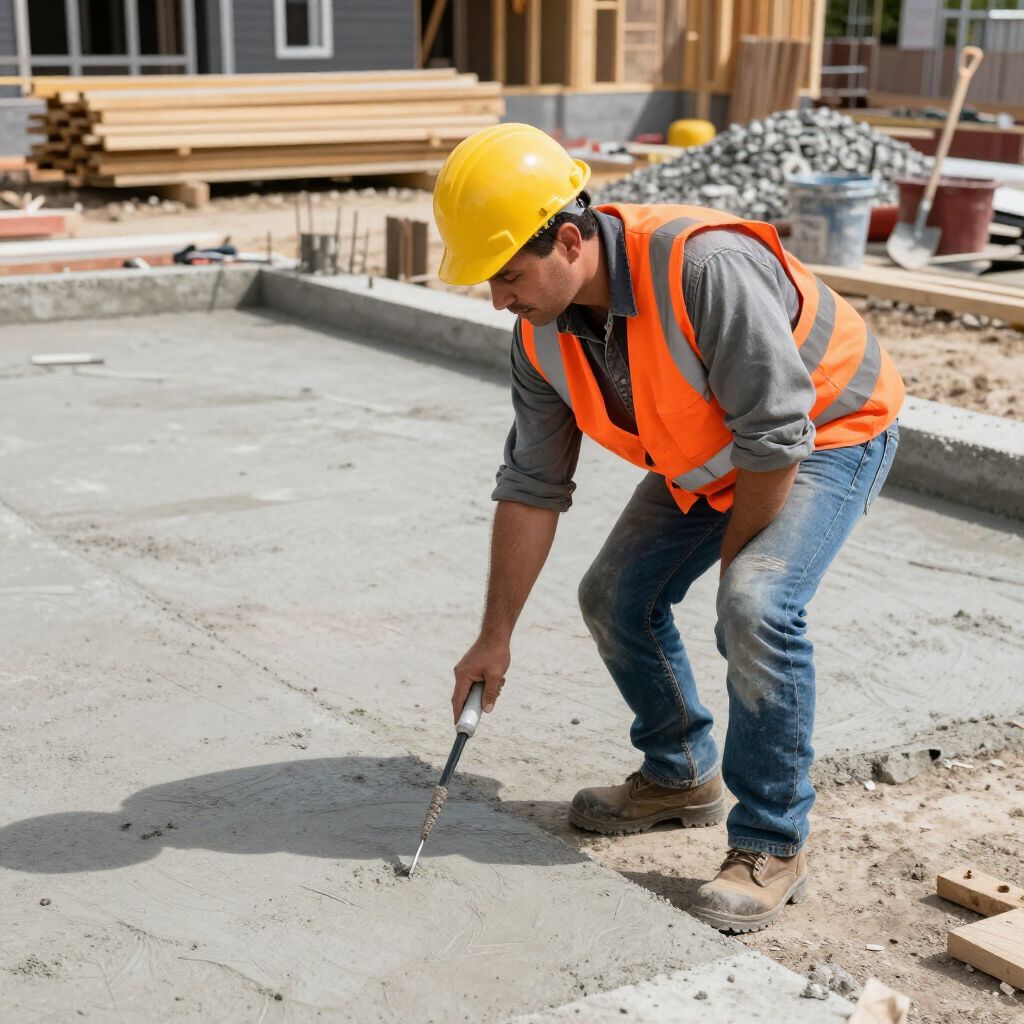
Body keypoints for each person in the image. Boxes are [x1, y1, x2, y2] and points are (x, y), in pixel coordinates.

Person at [433, 123, 903, 933]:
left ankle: (771, 842)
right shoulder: (541, 338)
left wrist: (734, 572)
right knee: (616, 593)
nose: (499, 299)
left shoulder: (702, 269)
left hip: (828, 430)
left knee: (756, 604)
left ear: (570, 240)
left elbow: (776, 433)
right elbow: (533, 486)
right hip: (720, 447)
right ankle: (681, 772)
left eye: (506, 275)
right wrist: (493, 636)